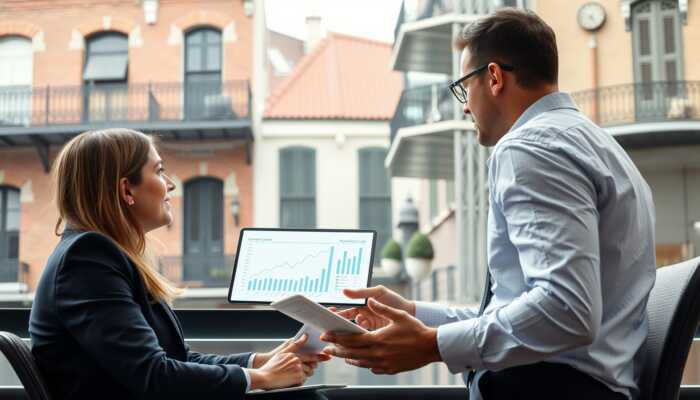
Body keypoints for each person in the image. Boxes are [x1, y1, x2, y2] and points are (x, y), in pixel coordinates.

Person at [321, 8, 656, 400]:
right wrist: (415, 315)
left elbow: (567, 310)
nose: (464, 106)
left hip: (544, 390)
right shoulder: (600, 146)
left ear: (494, 77)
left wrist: (432, 345)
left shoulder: (530, 148)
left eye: (464, 86)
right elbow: (529, 311)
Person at [29, 128, 329, 400]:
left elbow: (178, 358)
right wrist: (263, 378)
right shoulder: (87, 259)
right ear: (126, 190)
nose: (170, 185)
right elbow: (154, 376)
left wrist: (261, 362)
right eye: (159, 171)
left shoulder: (99, 256)